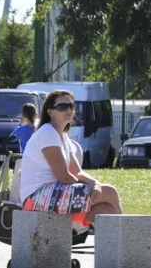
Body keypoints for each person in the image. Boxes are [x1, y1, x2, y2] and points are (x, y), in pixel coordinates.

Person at [19, 90, 122, 223]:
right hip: (36, 197)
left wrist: (94, 183)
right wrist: (88, 187)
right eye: (62, 107)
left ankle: (114, 242)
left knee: (106, 210)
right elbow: (64, 176)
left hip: (56, 195)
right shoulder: (47, 132)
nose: (68, 110)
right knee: (110, 192)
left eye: (72, 106)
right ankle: (127, 239)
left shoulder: (65, 138)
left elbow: (78, 172)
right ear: (50, 112)